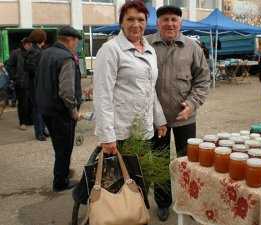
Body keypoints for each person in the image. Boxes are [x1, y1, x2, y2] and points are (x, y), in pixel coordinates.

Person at [147, 5, 210, 221]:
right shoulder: (145, 45)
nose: (170, 24)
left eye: (174, 19)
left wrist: (192, 104)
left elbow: (203, 80)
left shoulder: (193, 47)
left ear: (180, 23)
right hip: (157, 120)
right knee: (160, 161)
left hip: (186, 118)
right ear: (158, 23)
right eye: (165, 19)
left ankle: (188, 201)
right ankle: (163, 202)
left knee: (187, 161)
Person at [94, 1, 167, 160]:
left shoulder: (149, 51)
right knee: (124, 182)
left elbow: (150, 89)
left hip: (144, 130)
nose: (136, 24)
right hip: (121, 133)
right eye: (130, 19)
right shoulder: (111, 49)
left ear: (146, 23)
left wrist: (159, 119)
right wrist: (107, 136)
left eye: (140, 20)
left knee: (141, 180)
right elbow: (102, 95)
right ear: (121, 22)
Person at [36, 26, 82, 192]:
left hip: (47, 108)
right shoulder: (66, 58)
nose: (75, 46)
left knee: (58, 145)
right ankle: (60, 182)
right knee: (65, 147)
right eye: (76, 42)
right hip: (61, 111)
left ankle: (62, 171)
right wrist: (73, 110)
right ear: (70, 40)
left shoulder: (46, 53)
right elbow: (66, 91)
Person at [24, 29, 48, 141]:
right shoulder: (35, 51)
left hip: (35, 83)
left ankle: (42, 130)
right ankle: (39, 133)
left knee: (40, 108)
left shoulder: (35, 49)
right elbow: (31, 68)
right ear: (41, 38)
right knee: (38, 109)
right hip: (36, 84)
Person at [6, 38, 32, 130]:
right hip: (20, 82)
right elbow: (9, 66)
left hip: (31, 82)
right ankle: (23, 122)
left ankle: (29, 120)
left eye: (30, 44)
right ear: (23, 44)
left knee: (31, 102)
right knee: (22, 103)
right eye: (27, 44)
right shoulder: (16, 53)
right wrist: (15, 77)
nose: (29, 46)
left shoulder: (32, 53)